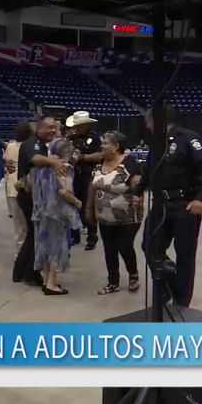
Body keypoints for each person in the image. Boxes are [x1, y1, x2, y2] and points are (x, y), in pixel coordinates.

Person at [138, 106, 202, 307]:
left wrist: (201, 198)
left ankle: (182, 302)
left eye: (148, 121)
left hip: (184, 204)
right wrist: (137, 190)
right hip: (160, 203)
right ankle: (168, 283)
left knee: (185, 255)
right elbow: (150, 169)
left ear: (158, 120)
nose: (147, 126)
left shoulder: (188, 138)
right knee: (149, 246)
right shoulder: (156, 142)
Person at [87, 131, 143, 295]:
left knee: (125, 247)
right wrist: (89, 208)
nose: (101, 146)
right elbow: (93, 186)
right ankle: (113, 282)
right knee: (109, 249)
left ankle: (133, 275)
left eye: (105, 143)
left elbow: (138, 184)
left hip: (127, 217)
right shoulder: (100, 164)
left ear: (116, 147)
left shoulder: (129, 163)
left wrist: (137, 198)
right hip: (104, 218)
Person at [12, 115, 64, 286]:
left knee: (32, 236)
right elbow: (34, 159)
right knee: (36, 237)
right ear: (39, 128)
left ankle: (20, 271)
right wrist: (53, 162)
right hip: (29, 197)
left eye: (54, 128)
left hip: (37, 196)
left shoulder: (43, 144)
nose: (53, 130)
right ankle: (30, 273)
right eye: (49, 127)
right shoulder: (31, 143)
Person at [31, 138, 82, 295]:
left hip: (41, 211)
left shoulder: (41, 168)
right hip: (57, 213)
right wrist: (78, 202)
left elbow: (25, 184)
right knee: (57, 247)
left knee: (44, 246)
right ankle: (52, 283)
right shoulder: (65, 168)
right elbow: (64, 191)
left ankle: (47, 280)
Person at [66, 111, 102, 250]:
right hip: (73, 175)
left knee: (89, 206)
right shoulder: (71, 139)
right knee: (73, 205)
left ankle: (92, 237)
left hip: (89, 175)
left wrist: (83, 158)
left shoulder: (95, 138)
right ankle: (74, 234)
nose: (77, 128)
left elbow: (100, 156)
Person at [4, 121, 32, 253]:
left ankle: (20, 252)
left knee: (18, 225)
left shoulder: (10, 146)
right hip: (27, 186)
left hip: (12, 187)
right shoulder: (31, 146)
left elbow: (7, 162)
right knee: (29, 225)